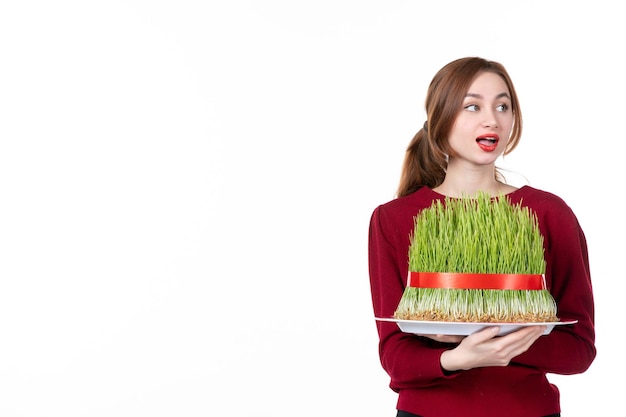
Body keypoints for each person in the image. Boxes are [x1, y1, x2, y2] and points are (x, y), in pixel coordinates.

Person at [368, 57, 596, 417]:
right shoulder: (394, 219)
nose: (492, 119)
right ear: (440, 118)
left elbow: (579, 349)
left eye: (502, 106)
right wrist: (458, 358)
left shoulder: (549, 214)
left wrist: (496, 345)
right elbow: (394, 354)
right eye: (472, 106)